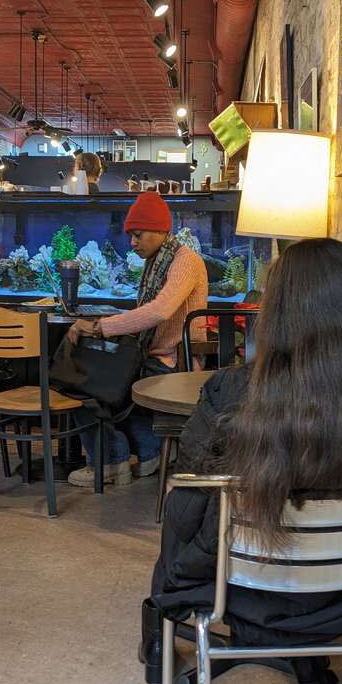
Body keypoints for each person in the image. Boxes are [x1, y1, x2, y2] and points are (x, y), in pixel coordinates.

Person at [140, 237, 342, 684]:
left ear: (278, 313)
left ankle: (157, 627)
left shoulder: (233, 392)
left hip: (242, 589)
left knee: (185, 504)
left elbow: (191, 480)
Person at [66, 191, 208, 488]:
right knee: (89, 376)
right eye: (131, 235)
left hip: (174, 362)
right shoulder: (158, 261)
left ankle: (110, 461)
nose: (132, 242)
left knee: (84, 382)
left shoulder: (185, 261)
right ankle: (146, 452)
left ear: (159, 229)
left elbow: (159, 310)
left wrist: (99, 328)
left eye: (137, 235)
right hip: (154, 356)